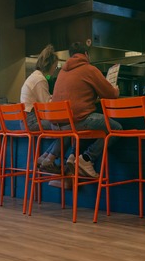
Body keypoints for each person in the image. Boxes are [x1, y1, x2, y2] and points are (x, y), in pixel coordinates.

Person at [48, 41, 121, 178]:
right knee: (116, 129)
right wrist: (115, 91)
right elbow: (109, 94)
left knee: (88, 124)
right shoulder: (89, 69)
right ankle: (87, 159)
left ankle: (72, 158)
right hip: (76, 121)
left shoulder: (62, 72)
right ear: (86, 54)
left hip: (58, 126)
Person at [19, 44, 60, 169]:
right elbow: (47, 106)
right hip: (32, 122)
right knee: (64, 129)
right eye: (55, 65)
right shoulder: (40, 80)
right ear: (49, 64)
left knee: (63, 129)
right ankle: (48, 158)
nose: (55, 68)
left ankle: (46, 157)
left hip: (26, 120)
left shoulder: (33, 77)